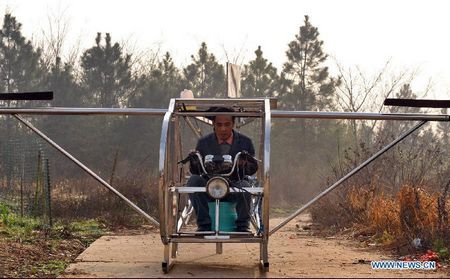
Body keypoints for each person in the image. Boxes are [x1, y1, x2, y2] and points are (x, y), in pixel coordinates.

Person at [187, 107, 258, 232]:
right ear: (213, 124)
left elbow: (252, 169)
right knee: (193, 181)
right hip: (210, 186)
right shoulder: (203, 143)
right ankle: (204, 225)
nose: (223, 129)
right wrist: (194, 160)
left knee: (245, 186)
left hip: (234, 186)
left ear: (233, 124)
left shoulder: (245, 142)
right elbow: (196, 171)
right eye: (219, 125)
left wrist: (243, 164)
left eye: (227, 124)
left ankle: (243, 226)